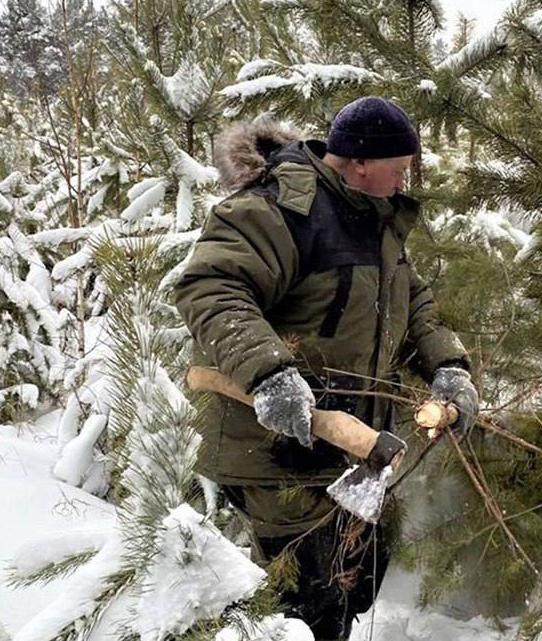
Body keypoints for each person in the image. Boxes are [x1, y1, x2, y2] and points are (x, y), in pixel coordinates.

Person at [173, 96, 479, 640]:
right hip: (277, 454)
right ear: (360, 162)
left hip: (351, 452)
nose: (406, 179)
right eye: (399, 167)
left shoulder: (375, 220)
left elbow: (414, 308)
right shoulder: (276, 211)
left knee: (355, 588)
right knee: (304, 616)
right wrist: (270, 375)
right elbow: (211, 287)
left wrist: (449, 368)